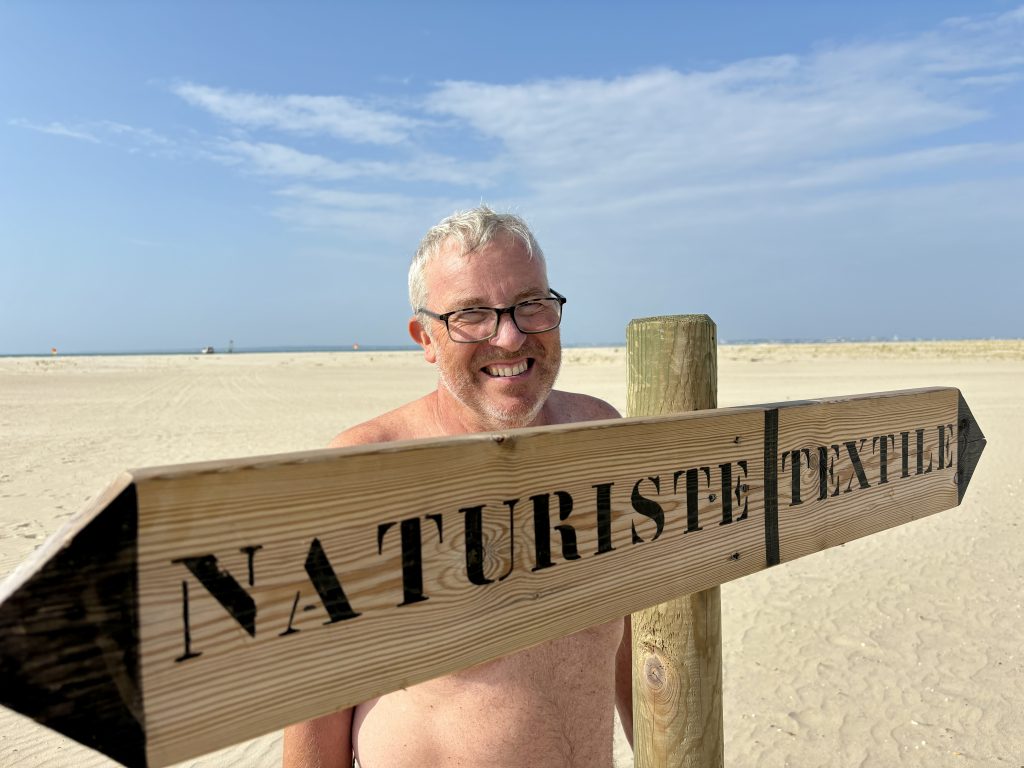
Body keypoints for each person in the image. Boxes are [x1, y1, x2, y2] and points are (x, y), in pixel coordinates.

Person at [282, 206, 632, 768]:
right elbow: (314, 706)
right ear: (426, 337)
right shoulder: (364, 472)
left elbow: (627, 636)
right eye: (472, 314)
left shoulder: (599, 436)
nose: (511, 336)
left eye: (532, 304)